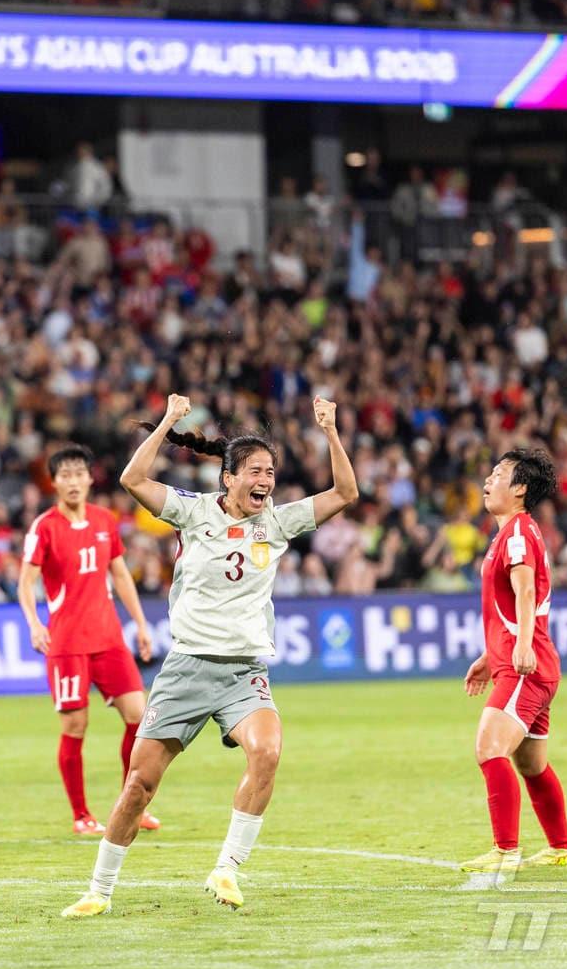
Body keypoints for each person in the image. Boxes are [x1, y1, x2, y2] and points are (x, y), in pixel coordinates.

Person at [62, 392, 358, 918]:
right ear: (229, 478)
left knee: (267, 751)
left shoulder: (279, 523)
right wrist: (170, 422)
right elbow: (132, 480)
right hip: (186, 669)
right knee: (139, 786)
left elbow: (345, 491)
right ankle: (98, 891)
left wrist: (331, 431)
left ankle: (227, 867)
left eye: (271, 471)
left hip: (244, 672)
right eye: (255, 471)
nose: (265, 480)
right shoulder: (193, 511)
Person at [18, 445, 158, 836]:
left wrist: (141, 624)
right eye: (65, 475)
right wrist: (33, 622)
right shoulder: (44, 527)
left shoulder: (104, 521)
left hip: (109, 639)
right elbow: (25, 583)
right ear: (55, 482)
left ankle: (129, 808)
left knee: (140, 716)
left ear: (90, 479)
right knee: (76, 726)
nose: (73, 481)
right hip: (67, 644)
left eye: (79, 473)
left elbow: (121, 575)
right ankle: (81, 815)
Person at [460, 449, 567, 874]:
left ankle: (506, 850)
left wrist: (520, 647)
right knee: (531, 763)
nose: (488, 480)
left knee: (490, 748)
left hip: (526, 665)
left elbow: (527, 594)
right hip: (523, 662)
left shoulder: (518, 534)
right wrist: (490, 657)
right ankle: (561, 847)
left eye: (499, 473)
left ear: (520, 489)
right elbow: (509, 605)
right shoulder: (512, 532)